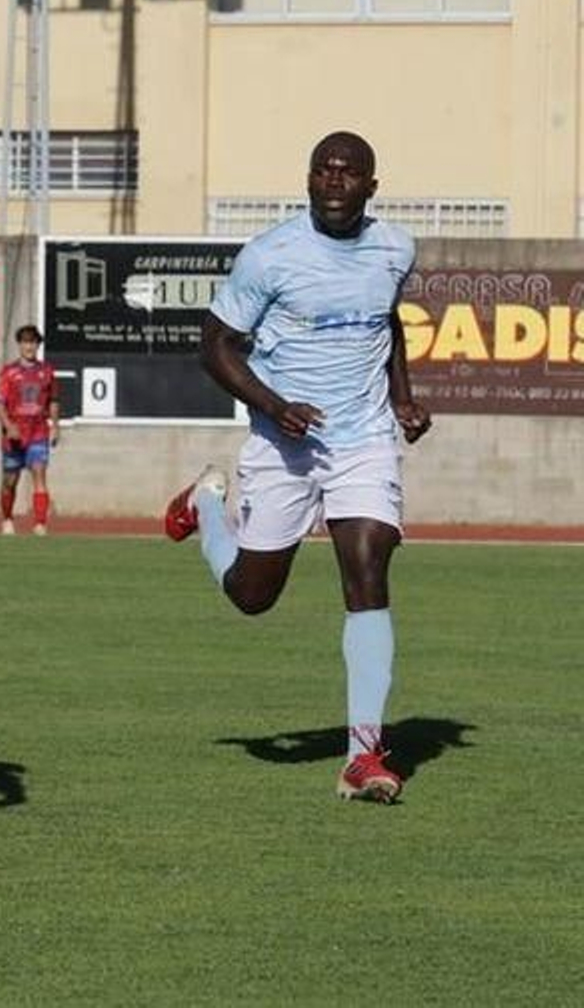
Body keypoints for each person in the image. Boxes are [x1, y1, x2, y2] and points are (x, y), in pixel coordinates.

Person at [163, 131, 431, 804]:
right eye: (323, 170)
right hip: (283, 442)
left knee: (369, 563)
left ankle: (362, 758)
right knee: (252, 596)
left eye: (349, 172)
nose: (335, 180)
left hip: (362, 440)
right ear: (308, 181)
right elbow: (214, 345)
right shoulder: (270, 255)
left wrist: (401, 397)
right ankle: (205, 504)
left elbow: (386, 320)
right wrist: (273, 405)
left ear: (372, 186)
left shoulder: (396, 248)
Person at [0, 324, 59, 535]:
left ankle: (40, 524)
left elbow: (54, 401)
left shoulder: (47, 372)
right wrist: (8, 426)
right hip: (14, 436)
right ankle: (7, 518)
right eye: (25, 342)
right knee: (9, 482)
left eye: (33, 342)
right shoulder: (9, 372)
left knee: (39, 474)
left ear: (38, 345)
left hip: (38, 432)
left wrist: (55, 426)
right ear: (19, 345)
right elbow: (0, 404)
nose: (29, 346)